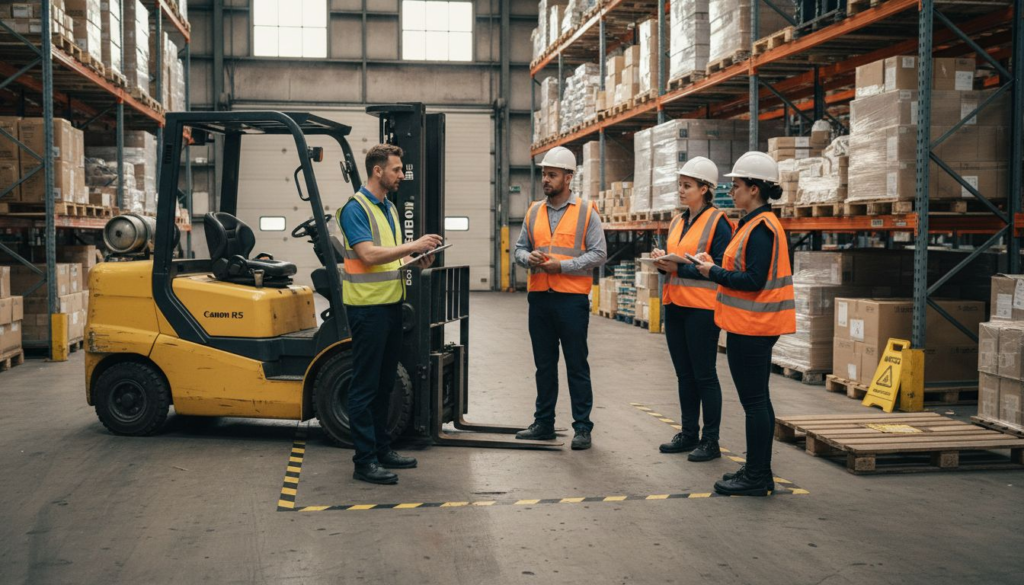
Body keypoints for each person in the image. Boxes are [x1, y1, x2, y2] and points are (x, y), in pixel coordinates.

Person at [337, 144, 443, 485]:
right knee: (365, 387)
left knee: (385, 385)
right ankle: (364, 461)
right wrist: (413, 245)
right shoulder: (355, 209)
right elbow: (368, 255)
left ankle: (382, 449)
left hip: (390, 305)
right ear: (378, 170)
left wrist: (416, 260)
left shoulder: (389, 208)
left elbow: (392, 257)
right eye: (396, 169)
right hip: (367, 309)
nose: (401, 175)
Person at [692, 151, 795, 496]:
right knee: (758, 400)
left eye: (736, 185)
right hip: (749, 324)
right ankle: (758, 471)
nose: (731, 191)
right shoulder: (752, 224)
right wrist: (714, 264)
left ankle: (756, 476)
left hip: (753, 326)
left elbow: (753, 279)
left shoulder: (762, 228)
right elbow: (744, 269)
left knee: (754, 403)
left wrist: (713, 272)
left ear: (754, 188)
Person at [513, 146, 607, 450]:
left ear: (568, 177)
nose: (546, 179)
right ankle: (544, 423)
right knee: (544, 366)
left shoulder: (586, 211)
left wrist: (562, 266)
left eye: (552, 175)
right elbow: (519, 249)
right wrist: (527, 258)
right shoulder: (533, 211)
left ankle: (582, 427)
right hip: (540, 299)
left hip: (571, 301)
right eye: (544, 174)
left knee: (576, 365)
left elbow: (599, 253)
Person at [650, 157, 733, 462]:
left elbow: (722, 268)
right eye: (680, 185)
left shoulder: (718, 222)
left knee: (704, 375)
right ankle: (688, 433)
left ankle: (710, 441)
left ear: (705, 189)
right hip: (675, 305)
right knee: (684, 375)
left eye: (687, 186)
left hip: (702, 310)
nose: (681, 190)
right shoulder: (677, 221)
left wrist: (679, 268)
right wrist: (662, 262)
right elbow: (676, 262)